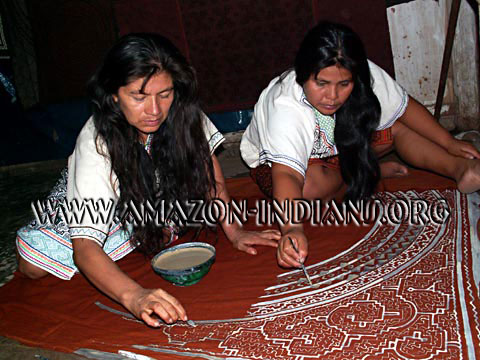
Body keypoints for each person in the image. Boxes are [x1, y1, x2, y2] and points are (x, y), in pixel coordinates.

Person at [16, 33, 280, 327]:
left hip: (153, 191)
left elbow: (208, 169)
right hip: (104, 197)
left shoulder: (182, 111)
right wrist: (135, 296)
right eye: (138, 97)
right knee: (33, 266)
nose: (154, 111)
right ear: (114, 95)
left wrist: (235, 231)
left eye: (164, 94)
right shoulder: (96, 139)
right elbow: (85, 248)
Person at [240, 21, 480, 269]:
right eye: (321, 84)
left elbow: (404, 109)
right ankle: (364, 172)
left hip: (341, 153)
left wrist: (449, 142)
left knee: (397, 129)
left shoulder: (363, 74)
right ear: (303, 75)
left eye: (344, 84)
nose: (332, 96)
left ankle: (460, 169)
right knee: (308, 190)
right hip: (279, 167)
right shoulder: (284, 106)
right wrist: (291, 228)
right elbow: (287, 173)